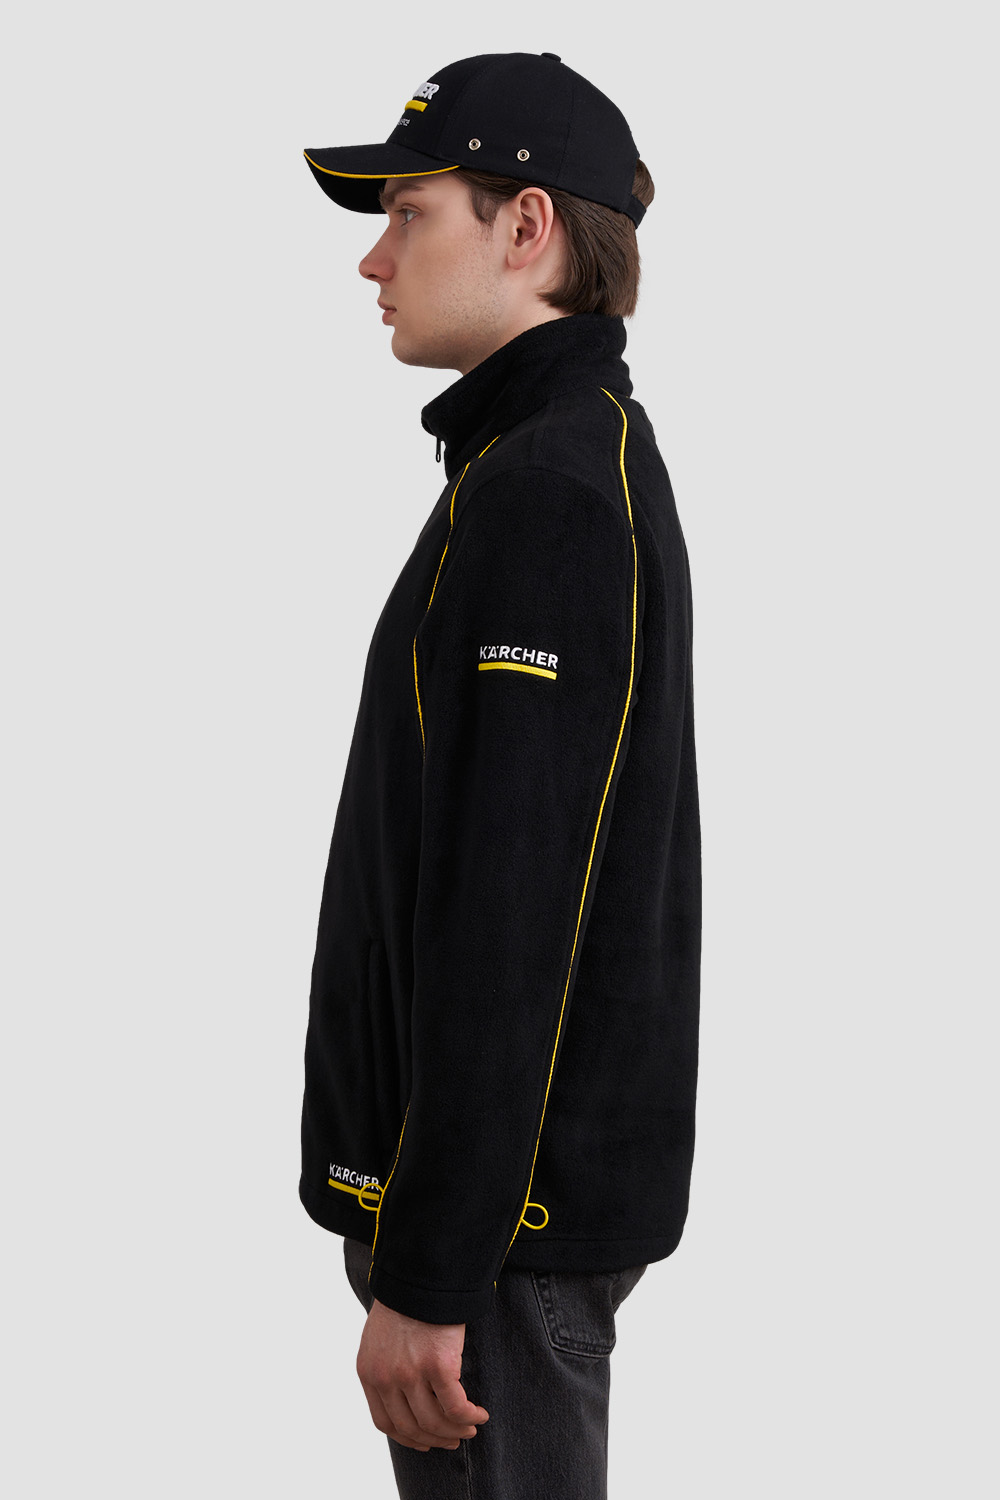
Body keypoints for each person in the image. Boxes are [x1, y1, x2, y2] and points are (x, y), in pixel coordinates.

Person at [298, 50, 702, 1500]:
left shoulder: (542, 492)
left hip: (497, 1249)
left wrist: (432, 1267)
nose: (374, 260)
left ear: (526, 226)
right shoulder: (548, 462)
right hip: (501, 1235)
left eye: (409, 215)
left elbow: (511, 912)